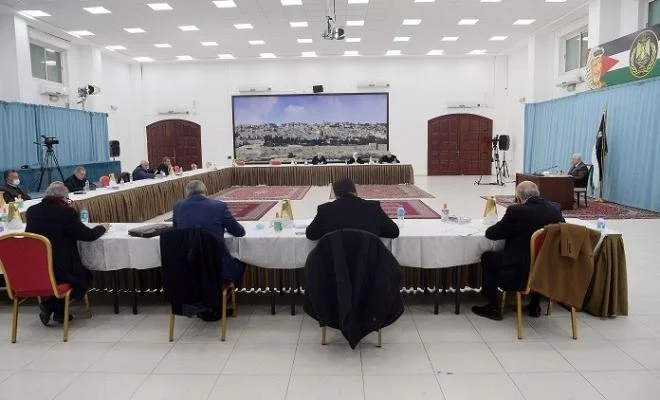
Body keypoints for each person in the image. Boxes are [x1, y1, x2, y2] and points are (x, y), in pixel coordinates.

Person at [472, 181, 564, 321]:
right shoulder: (555, 209)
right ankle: (534, 306)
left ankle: (493, 307)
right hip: (546, 269)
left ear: (518, 197)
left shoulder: (517, 211)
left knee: (488, 258)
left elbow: (492, 234)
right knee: (540, 257)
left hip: (519, 272)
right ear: (538, 193)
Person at [25, 182, 109, 325]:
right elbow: (88, 235)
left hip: (38, 267)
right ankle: (53, 307)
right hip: (62, 268)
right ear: (64, 198)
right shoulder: (66, 212)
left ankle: (53, 308)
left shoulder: (32, 211)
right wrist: (102, 228)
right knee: (84, 277)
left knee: (63, 276)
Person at [173, 180, 246, 285]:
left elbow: (176, 231)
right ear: (205, 191)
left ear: (187, 193)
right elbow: (239, 232)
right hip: (217, 267)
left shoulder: (178, 207)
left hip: (188, 267)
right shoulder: (219, 206)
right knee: (241, 258)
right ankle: (225, 292)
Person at [306, 178, 400, 240]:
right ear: (355, 191)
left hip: (335, 263)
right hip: (368, 262)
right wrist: (373, 233)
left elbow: (311, 235)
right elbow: (394, 232)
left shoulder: (325, 210)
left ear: (335, 194)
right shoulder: (373, 207)